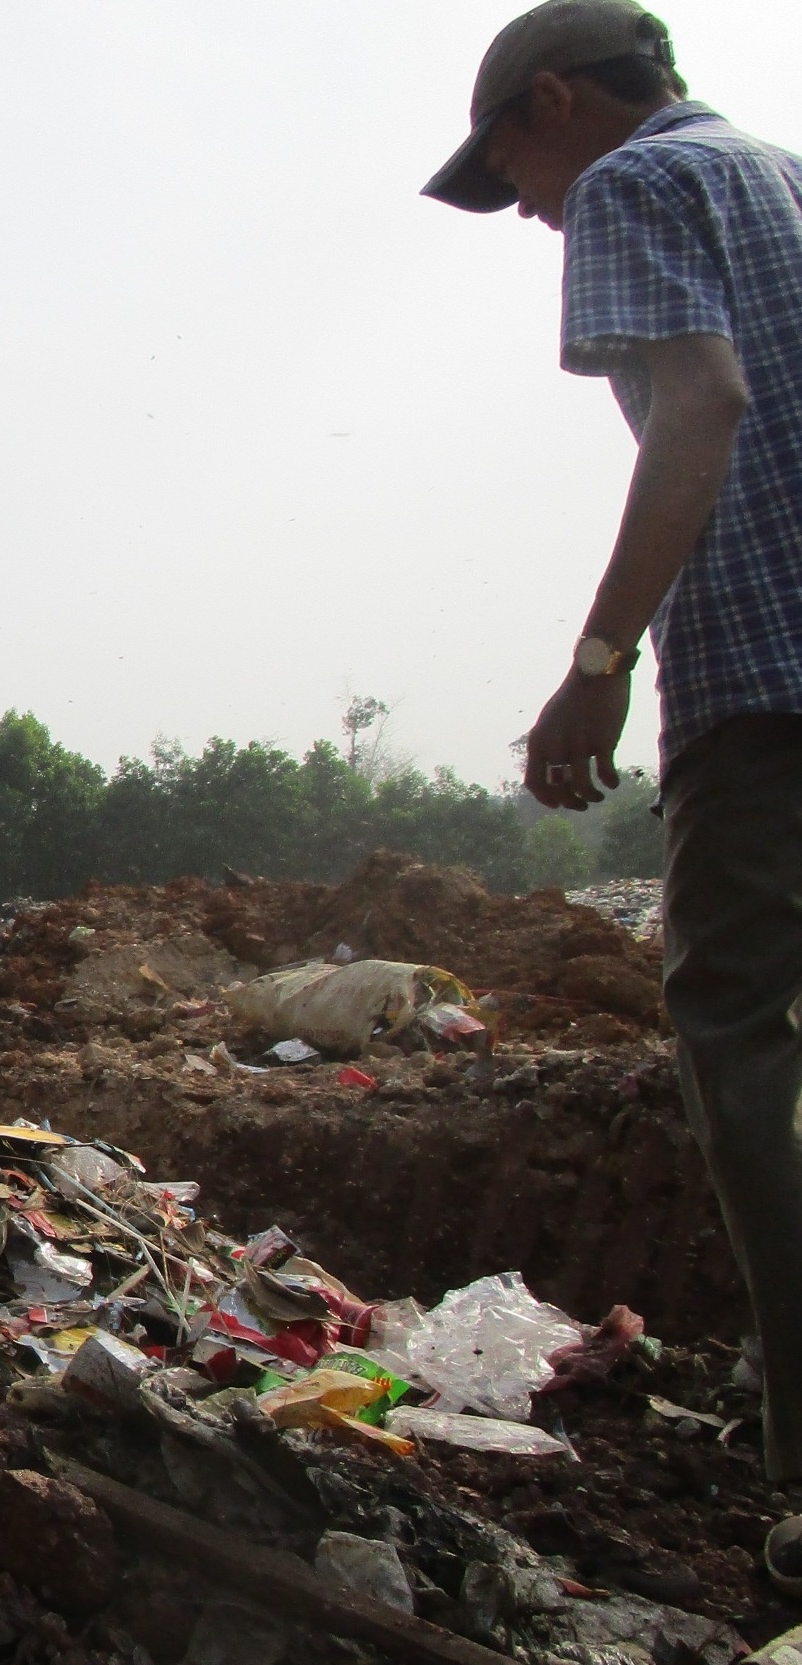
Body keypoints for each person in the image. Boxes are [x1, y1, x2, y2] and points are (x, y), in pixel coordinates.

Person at [425, 0, 802, 1501]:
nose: (523, 209)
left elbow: (697, 407)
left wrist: (598, 665)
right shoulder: (775, 170)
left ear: (559, 101)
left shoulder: (638, 184)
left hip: (766, 679)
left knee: (737, 1039)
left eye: (509, 166)